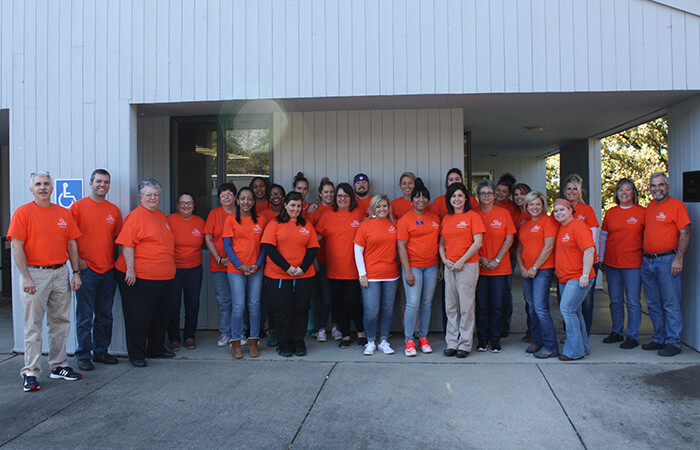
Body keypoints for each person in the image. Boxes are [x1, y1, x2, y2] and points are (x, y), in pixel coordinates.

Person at [8, 171, 83, 391]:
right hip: (35, 274)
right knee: (33, 325)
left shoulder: (63, 213)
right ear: (31, 189)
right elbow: (16, 246)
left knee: (60, 322)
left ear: (52, 188)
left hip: (61, 272)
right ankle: (31, 371)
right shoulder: (23, 213)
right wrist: (26, 276)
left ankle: (59, 365)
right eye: (38, 184)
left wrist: (75, 272)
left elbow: (72, 245)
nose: (43, 187)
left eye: (46, 184)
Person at [115, 178, 176, 367]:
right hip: (140, 277)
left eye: (156, 195)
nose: (152, 198)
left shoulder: (160, 216)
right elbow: (127, 244)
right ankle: (137, 355)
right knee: (139, 317)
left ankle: (156, 348)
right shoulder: (135, 216)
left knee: (161, 315)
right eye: (148, 194)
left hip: (164, 277)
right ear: (141, 197)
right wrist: (131, 270)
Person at [70, 169, 122, 371]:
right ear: (91, 183)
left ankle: (101, 352)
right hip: (86, 271)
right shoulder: (78, 207)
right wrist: (77, 263)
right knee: (84, 316)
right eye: (99, 181)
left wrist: (115, 265)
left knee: (105, 315)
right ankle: (83, 354)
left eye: (106, 182)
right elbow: (69, 240)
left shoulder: (113, 211)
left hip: (108, 271)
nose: (102, 185)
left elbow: (117, 241)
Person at [261, 192, 319, 357]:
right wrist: (287, 268)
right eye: (292, 205)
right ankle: (284, 343)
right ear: (285, 205)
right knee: (282, 310)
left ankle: (299, 342)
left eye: (299, 206)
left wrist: (302, 268)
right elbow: (270, 248)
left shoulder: (306, 225)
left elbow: (312, 248)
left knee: (301, 309)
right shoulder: (274, 224)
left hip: (303, 275)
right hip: (279, 275)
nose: (295, 209)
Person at [641, 173, 691, 357]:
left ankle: (673, 342)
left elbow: (685, 232)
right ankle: (659, 338)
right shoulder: (651, 206)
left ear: (668, 187)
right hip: (647, 261)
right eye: (653, 185)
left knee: (670, 303)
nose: (657, 189)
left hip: (667, 261)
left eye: (660, 185)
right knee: (653, 303)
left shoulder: (677, 206)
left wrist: (679, 258)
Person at [315, 182, 368, 348]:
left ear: (351, 197)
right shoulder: (327, 216)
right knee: (339, 303)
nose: (342, 199)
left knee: (352, 301)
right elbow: (315, 239)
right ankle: (346, 335)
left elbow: (372, 231)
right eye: (339, 196)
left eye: (345, 196)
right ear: (335, 198)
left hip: (354, 268)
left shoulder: (359, 213)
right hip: (333, 268)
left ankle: (361, 331)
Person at [439, 182, 484, 358]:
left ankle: (465, 344)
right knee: (451, 306)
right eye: (453, 196)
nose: (456, 199)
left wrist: (461, 261)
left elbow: (477, 242)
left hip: (468, 266)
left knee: (466, 306)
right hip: (450, 266)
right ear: (449, 200)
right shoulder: (446, 218)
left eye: (459, 195)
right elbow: (442, 243)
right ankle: (451, 342)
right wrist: (444, 260)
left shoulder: (473, 216)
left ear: (466, 198)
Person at [599, 179, 645, 349]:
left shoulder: (642, 212)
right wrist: (601, 257)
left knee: (632, 301)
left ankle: (632, 335)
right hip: (612, 263)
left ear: (634, 193)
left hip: (633, 263)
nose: (624, 193)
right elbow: (603, 236)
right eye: (620, 190)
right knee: (615, 300)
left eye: (628, 190)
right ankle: (616, 331)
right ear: (616, 194)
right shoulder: (611, 213)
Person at [397, 178, 441, 357]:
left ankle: (423, 337)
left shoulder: (435, 218)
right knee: (412, 304)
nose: (421, 200)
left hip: (431, 266)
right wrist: (407, 270)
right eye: (417, 197)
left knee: (426, 304)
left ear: (428, 200)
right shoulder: (405, 220)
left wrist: (440, 266)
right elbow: (401, 246)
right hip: (413, 267)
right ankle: (409, 339)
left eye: (424, 197)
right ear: (412, 200)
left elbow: (439, 243)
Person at [223, 187, 267, 359]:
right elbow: (227, 246)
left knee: (255, 305)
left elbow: (264, 246)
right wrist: (240, 266)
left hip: (256, 269)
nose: (246, 202)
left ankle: (254, 342)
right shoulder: (231, 220)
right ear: (237, 201)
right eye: (243, 199)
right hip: (236, 270)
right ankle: (235, 343)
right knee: (239, 306)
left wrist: (257, 264)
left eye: (249, 199)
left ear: (254, 202)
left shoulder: (261, 220)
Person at [354, 195, 400, 355]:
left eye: (385, 206)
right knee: (371, 310)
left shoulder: (394, 225)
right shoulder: (365, 226)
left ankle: (384, 341)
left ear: (389, 208)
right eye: (378, 206)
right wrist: (362, 274)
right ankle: (371, 341)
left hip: (391, 275)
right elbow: (357, 251)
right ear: (373, 209)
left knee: (387, 309)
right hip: (371, 276)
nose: (382, 209)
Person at [515, 192, 558, 359]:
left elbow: (548, 247)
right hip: (527, 271)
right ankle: (537, 340)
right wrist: (523, 268)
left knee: (541, 308)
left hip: (542, 270)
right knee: (531, 307)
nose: (534, 207)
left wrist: (534, 267)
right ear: (526, 206)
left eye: (538, 204)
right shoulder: (524, 226)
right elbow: (519, 249)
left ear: (543, 206)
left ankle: (550, 346)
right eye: (531, 204)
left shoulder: (548, 221)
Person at [475, 180, 515, 353]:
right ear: (478, 196)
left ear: (494, 196)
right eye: (483, 193)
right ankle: (483, 339)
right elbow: (468, 240)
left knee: (498, 305)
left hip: (500, 267)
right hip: (479, 266)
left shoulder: (503, 213)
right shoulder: (473, 214)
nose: (486, 196)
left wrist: (497, 259)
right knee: (482, 305)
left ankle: (496, 339)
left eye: (489, 193)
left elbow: (509, 239)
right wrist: (481, 259)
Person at [552, 198, 595, 361]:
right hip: (565, 278)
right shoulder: (562, 228)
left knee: (567, 310)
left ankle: (573, 351)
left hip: (578, 278)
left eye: (562, 210)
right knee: (575, 312)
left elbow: (589, 251)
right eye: (556, 211)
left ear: (570, 211)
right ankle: (583, 346)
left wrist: (585, 275)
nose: (559, 213)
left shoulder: (578, 227)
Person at [166, 193, 205, 352]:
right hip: (173, 269)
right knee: (173, 306)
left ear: (194, 205)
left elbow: (209, 240)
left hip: (194, 269)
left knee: (192, 305)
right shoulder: (169, 221)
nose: (186, 206)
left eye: (189, 203)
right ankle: (174, 338)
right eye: (183, 203)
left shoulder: (200, 222)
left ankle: (190, 336)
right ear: (177, 205)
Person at [563, 173, 600, 336]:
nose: (572, 192)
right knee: (568, 303)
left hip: (586, 263)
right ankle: (570, 334)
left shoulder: (587, 210)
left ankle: (584, 334)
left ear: (580, 192)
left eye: (575, 189)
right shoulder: (560, 209)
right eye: (569, 188)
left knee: (586, 301)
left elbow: (593, 237)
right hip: (568, 265)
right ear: (564, 191)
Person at [306, 177, 341, 342]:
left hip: (338, 261)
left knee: (336, 296)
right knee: (324, 296)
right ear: (320, 194)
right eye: (326, 192)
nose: (329, 195)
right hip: (321, 261)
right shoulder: (314, 211)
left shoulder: (338, 209)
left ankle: (335, 327)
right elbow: (309, 239)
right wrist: (313, 260)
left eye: (331, 192)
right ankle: (321, 328)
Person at [204, 182, 238, 347]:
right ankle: (225, 333)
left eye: (229, 194)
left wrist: (235, 261)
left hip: (238, 266)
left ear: (235, 197)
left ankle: (239, 333)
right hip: (218, 265)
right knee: (224, 300)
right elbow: (208, 237)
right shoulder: (214, 214)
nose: (226, 197)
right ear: (219, 198)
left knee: (239, 300)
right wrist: (218, 257)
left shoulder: (241, 214)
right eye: (223, 195)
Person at [259, 183, 285, 346]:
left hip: (288, 265)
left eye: (279, 194)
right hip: (268, 264)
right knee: (267, 300)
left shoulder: (288, 213)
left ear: (283, 197)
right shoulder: (263, 215)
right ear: (269, 197)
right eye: (273, 194)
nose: (276, 197)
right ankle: (270, 330)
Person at [495, 173, 518, 338]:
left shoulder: (513, 208)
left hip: (508, 255)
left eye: (504, 191)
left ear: (509, 194)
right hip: (489, 256)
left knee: (505, 291)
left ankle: (505, 325)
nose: (499, 194)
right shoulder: (489, 204)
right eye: (498, 190)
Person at [511, 182, 533, 343]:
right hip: (520, 256)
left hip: (533, 261)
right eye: (516, 194)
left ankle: (534, 332)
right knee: (529, 299)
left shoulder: (532, 213)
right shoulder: (517, 213)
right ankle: (531, 330)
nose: (519, 197)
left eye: (522, 194)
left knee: (536, 302)